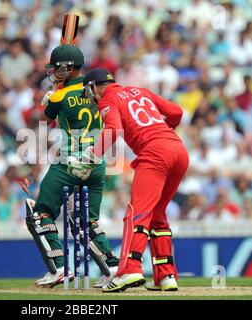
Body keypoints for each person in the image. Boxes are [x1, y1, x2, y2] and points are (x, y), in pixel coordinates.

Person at [68, 68, 188, 292]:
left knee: (137, 213)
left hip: (155, 153)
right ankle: (166, 276)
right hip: (178, 150)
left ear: (94, 87)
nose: (91, 101)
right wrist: (162, 130)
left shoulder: (107, 100)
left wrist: (89, 157)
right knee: (158, 214)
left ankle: (130, 269)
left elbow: (113, 131)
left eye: (88, 94)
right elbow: (177, 112)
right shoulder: (139, 91)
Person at [28, 45, 119, 288]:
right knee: (85, 222)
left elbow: (41, 120)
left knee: (40, 214)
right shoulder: (99, 90)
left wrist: (48, 100)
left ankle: (59, 268)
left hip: (70, 162)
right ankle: (112, 268)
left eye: (56, 67)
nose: (53, 71)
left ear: (67, 68)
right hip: (98, 162)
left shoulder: (59, 95)